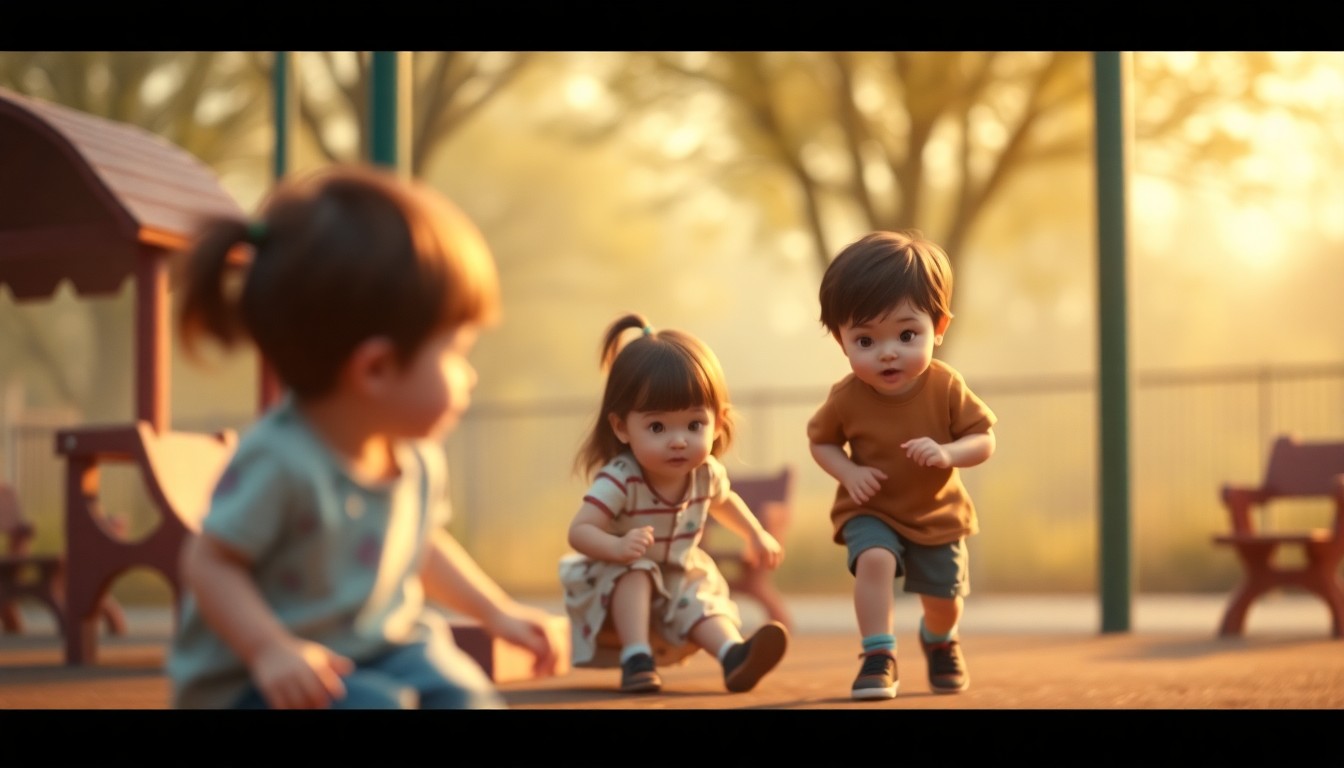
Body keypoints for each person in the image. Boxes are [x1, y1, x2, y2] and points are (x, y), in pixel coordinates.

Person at [166, 164, 562, 709]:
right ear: (375, 369)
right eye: (454, 352)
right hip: (260, 677)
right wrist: (270, 649)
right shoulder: (281, 460)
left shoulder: (415, 458)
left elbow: (421, 546)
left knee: (463, 694)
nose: (469, 376)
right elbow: (209, 563)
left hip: (377, 649)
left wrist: (496, 612)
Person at [807, 230, 997, 700]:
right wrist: (849, 473)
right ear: (841, 341)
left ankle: (940, 640)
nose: (888, 352)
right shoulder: (846, 398)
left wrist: (948, 453)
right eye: (865, 340)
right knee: (873, 560)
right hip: (872, 508)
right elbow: (821, 442)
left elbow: (984, 440)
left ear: (939, 326)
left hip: (936, 512)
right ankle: (878, 655)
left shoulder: (946, 386)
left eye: (907, 335)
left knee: (943, 601)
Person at [559, 313, 789, 694]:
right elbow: (580, 531)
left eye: (694, 425)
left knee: (699, 599)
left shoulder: (706, 473)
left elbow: (724, 502)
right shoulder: (621, 478)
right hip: (617, 576)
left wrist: (754, 534)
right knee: (637, 571)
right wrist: (617, 546)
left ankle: (734, 655)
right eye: (657, 427)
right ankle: (636, 657)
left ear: (718, 423)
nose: (679, 440)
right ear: (622, 427)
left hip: (677, 573)